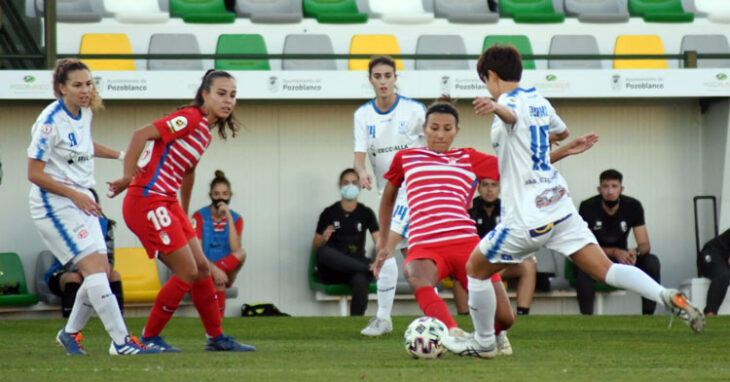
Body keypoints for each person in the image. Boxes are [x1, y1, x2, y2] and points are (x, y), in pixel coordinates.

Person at [442, 45, 705, 359]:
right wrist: (564, 147)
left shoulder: (508, 103)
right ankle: (665, 295)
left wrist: (494, 107)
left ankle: (484, 342)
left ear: (491, 75)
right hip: (558, 208)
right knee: (606, 270)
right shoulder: (539, 101)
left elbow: (511, 115)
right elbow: (561, 131)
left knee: (475, 269)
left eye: (485, 81)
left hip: (527, 218)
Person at [108, 69, 254, 353]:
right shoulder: (189, 118)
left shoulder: (204, 133)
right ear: (205, 94)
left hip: (167, 202)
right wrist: (127, 176)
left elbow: (188, 171)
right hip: (147, 200)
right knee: (188, 270)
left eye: (233, 95)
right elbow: (140, 135)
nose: (228, 101)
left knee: (201, 269)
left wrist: (183, 212)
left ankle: (216, 337)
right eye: (221, 94)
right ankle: (148, 338)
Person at [27, 58, 157, 355]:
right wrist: (75, 195)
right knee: (94, 270)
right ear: (61, 88)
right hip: (54, 204)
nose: (85, 90)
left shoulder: (84, 112)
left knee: (102, 268)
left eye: (88, 83)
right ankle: (122, 342)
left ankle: (70, 333)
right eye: (77, 85)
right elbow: (34, 173)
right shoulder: (49, 122)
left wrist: (123, 155)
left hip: (81, 199)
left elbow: (85, 144)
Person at [353, 56, 426, 336]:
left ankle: (384, 319)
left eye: (387, 76)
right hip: (389, 195)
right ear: (370, 79)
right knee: (412, 258)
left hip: (416, 191)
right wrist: (361, 173)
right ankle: (433, 317)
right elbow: (359, 157)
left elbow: (436, 141)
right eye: (377, 76)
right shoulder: (363, 115)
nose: (383, 81)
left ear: (396, 78)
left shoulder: (414, 110)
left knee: (386, 250)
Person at [576, 169, 662, 315]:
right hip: (597, 255)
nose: (610, 191)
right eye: (605, 186)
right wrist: (615, 252)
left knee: (652, 262)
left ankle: (648, 316)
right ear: (599, 189)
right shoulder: (588, 207)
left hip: (623, 257)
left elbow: (645, 244)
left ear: (621, 189)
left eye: (614, 186)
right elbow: (583, 245)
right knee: (583, 268)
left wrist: (635, 252)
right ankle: (587, 318)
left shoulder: (633, 206)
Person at [45, 188, 124, 318]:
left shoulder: (105, 225)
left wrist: (102, 270)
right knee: (74, 277)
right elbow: (68, 259)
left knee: (114, 275)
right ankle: (70, 318)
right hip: (64, 272)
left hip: (95, 270)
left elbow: (109, 256)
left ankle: (117, 316)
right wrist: (89, 269)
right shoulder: (65, 224)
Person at [312, 169, 380, 316]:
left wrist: (381, 257)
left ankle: (355, 323)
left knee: (361, 281)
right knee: (323, 252)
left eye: (354, 183)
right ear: (340, 185)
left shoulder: (366, 213)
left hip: (355, 268)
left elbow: (379, 241)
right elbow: (316, 244)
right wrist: (323, 238)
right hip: (333, 269)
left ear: (360, 186)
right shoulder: (329, 212)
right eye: (346, 183)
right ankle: (368, 269)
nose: (350, 186)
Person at [469, 178, 536, 316]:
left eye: (494, 185)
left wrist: (503, 264)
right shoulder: (470, 209)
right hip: (475, 263)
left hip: (503, 262)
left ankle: (523, 313)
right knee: (460, 268)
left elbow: (518, 239)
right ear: (478, 188)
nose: (489, 189)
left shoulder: (509, 208)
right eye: (485, 185)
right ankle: (464, 315)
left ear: (500, 188)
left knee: (528, 265)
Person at [191, 170, 247, 318]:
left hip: (225, 270)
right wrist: (215, 270)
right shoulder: (199, 216)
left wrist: (228, 216)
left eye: (224, 194)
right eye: (216, 194)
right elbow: (196, 251)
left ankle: (216, 324)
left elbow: (236, 250)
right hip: (204, 266)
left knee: (242, 253)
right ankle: (217, 324)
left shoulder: (236, 218)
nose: (220, 198)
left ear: (229, 196)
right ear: (210, 196)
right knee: (218, 280)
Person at [697, 228, 730, 315]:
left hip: (723, 262)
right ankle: (710, 313)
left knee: (724, 274)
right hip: (710, 254)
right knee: (723, 275)